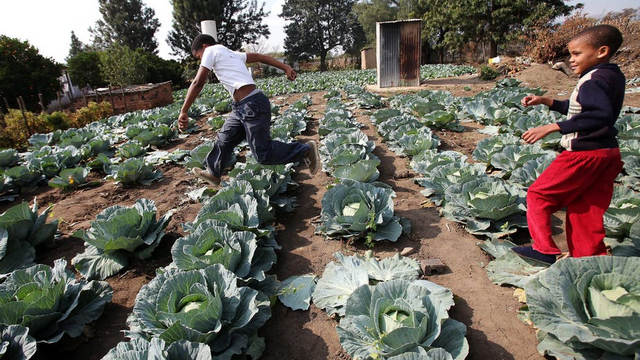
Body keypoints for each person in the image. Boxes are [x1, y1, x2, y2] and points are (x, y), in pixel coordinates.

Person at [512, 25, 626, 265]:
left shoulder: (593, 80)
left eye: (576, 54)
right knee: (586, 209)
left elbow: (599, 114)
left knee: (538, 195)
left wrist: (553, 127)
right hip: (608, 153)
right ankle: (590, 260)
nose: (571, 60)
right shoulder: (611, 75)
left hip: (584, 154)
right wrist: (547, 101)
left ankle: (544, 249)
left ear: (601, 51)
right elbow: (582, 108)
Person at [178, 34, 320, 185]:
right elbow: (259, 57)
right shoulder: (230, 54)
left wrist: (184, 110)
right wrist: (285, 67)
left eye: (198, 56)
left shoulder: (210, 51)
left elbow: (198, 82)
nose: (201, 60)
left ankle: (305, 150)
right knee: (225, 138)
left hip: (252, 105)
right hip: (241, 107)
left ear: (204, 47)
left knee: (263, 154)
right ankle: (213, 172)